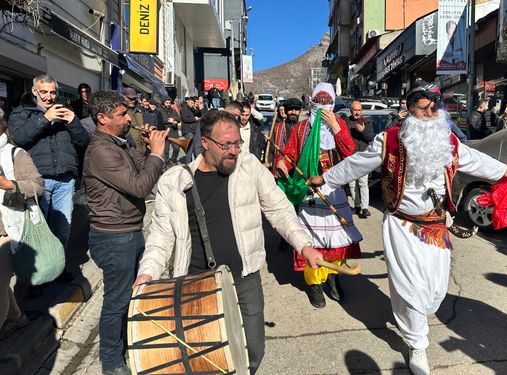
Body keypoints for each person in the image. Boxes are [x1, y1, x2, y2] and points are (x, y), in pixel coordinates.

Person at [307, 81, 507, 375]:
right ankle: (418, 345)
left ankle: (416, 318)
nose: (431, 112)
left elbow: (475, 160)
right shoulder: (389, 139)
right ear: (410, 108)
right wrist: (327, 179)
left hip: (436, 227)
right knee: (411, 289)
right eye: (424, 107)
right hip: (401, 226)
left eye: (435, 107)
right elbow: (357, 163)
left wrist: (502, 170)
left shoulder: (448, 142)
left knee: (435, 291)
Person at [133, 110, 322, 374]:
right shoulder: (175, 181)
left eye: (237, 143)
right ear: (205, 143)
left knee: (253, 351)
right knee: (206, 358)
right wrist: (147, 273)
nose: (233, 151)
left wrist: (304, 244)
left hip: (244, 277)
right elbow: (161, 236)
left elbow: (279, 209)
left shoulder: (249, 166)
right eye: (226, 145)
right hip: (195, 282)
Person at [83, 90, 167, 375]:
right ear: (102, 118)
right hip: (114, 236)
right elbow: (141, 187)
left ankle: (126, 345)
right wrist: (156, 153)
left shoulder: (121, 143)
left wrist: (147, 149)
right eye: (122, 114)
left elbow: (144, 171)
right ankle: (111, 361)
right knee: (116, 301)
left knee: (133, 295)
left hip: (129, 230)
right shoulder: (101, 151)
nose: (129, 118)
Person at [275, 82, 362, 308]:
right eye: (319, 100)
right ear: (312, 101)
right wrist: (283, 162)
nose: (322, 105)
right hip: (309, 191)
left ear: (333, 102)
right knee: (312, 240)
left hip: (334, 192)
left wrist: (336, 128)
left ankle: (333, 278)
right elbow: (289, 153)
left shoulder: (340, 124)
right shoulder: (301, 128)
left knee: (336, 241)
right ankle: (314, 284)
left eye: (327, 101)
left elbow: (351, 155)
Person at [9, 74, 90, 275]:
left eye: (52, 92)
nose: (49, 97)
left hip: (65, 178)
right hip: (38, 180)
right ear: (34, 91)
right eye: (43, 92)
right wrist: (44, 119)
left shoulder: (66, 111)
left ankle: (58, 268)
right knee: (40, 229)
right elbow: (19, 138)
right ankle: (38, 272)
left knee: (63, 226)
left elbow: (83, 142)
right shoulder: (21, 113)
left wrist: (73, 123)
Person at [0, 118, 44, 340]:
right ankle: (17, 318)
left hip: (9, 230)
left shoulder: (15, 154)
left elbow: (37, 185)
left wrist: (8, 184)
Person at [346, 100, 374, 218]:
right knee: (352, 184)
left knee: (363, 183)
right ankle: (357, 205)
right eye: (355, 110)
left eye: (359, 110)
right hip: (351, 156)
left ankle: (365, 208)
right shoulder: (346, 122)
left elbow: (370, 137)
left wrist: (362, 131)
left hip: (363, 156)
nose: (357, 112)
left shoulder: (366, 121)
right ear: (351, 110)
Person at [266, 98, 302, 173]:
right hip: (280, 168)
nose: (293, 112)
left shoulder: (304, 128)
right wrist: (270, 163)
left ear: (300, 111)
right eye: (290, 109)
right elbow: (271, 148)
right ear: (286, 111)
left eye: (296, 110)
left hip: (299, 169)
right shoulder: (277, 127)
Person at [122, 87, 146, 154]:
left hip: (142, 147)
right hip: (130, 149)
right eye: (130, 98)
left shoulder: (138, 112)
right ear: (123, 97)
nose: (133, 101)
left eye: (134, 98)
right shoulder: (121, 113)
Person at [158, 96, 181, 164]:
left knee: (177, 148)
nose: (168, 104)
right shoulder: (159, 110)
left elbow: (179, 119)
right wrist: (169, 120)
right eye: (166, 103)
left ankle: (173, 160)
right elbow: (160, 120)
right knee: (166, 150)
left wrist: (174, 119)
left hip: (174, 131)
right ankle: (167, 162)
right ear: (163, 103)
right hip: (165, 132)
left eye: (169, 103)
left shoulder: (173, 110)